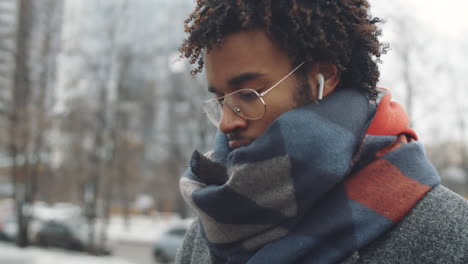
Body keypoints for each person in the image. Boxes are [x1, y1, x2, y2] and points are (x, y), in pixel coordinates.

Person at [176, 1, 468, 263]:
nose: (227, 122)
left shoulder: (450, 232)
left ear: (324, 78)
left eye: (249, 94)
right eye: (220, 100)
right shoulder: (204, 235)